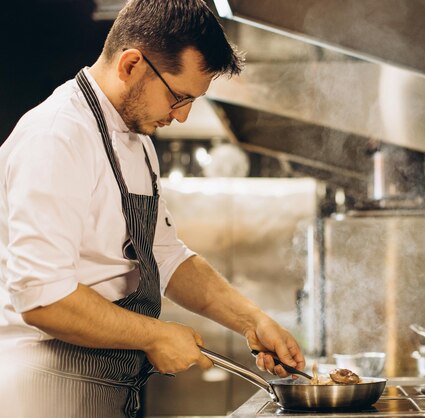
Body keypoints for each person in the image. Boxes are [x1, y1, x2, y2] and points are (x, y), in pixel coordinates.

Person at [0, 1, 305, 417]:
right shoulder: (57, 137)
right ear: (131, 65)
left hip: (109, 387)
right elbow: (43, 297)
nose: (182, 117)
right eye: (179, 97)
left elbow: (166, 256)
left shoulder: (136, 139)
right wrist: (154, 335)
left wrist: (252, 321)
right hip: (45, 391)